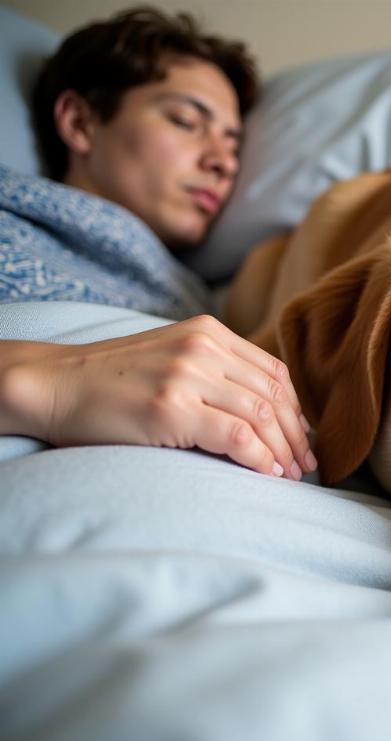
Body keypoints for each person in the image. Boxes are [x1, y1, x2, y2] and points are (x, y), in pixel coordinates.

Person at [0, 7, 316, 481]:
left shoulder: (210, 301)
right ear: (80, 123)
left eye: (233, 145)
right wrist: (57, 385)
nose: (222, 162)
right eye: (187, 121)